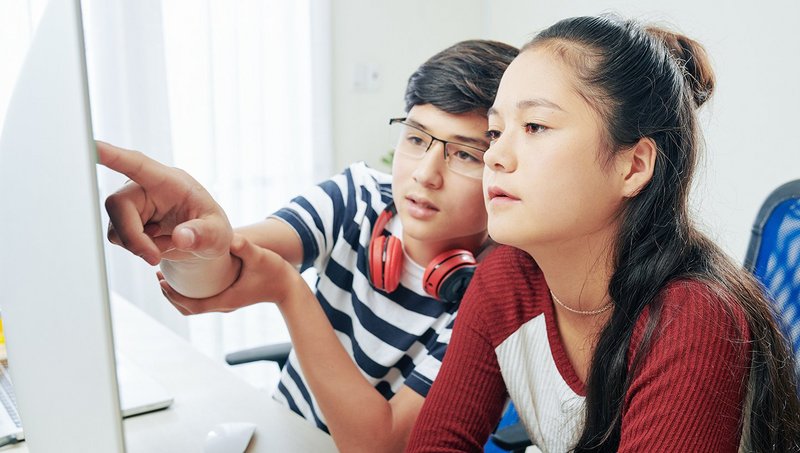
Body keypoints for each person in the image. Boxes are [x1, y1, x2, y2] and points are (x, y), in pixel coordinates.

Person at [99, 39, 518, 452]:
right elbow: (221, 270)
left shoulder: (494, 296)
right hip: (282, 434)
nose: (425, 174)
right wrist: (187, 232)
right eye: (415, 138)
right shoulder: (358, 198)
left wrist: (289, 291)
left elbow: (378, 445)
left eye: (465, 155)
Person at [406, 15, 800, 453]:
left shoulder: (692, 317)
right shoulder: (506, 280)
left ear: (633, 166)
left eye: (535, 126)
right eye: (495, 132)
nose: (495, 155)